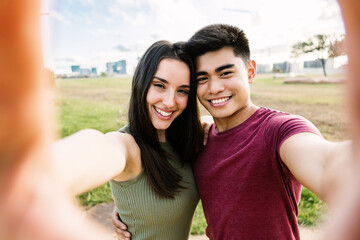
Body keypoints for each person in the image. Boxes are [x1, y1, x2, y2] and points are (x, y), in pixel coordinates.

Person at [112, 25, 355, 240]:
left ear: (250, 72)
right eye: (202, 78)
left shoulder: (280, 130)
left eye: (226, 73)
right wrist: (128, 209)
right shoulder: (200, 140)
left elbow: (326, 162)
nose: (215, 88)